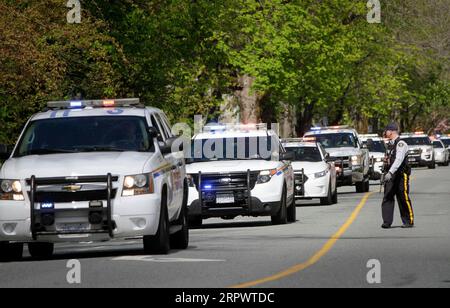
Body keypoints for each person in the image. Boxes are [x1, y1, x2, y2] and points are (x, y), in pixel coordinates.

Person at [381, 123, 414, 229]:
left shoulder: (401, 144)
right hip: (390, 175)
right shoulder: (390, 144)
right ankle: (387, 222)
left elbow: (399, 160)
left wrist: (390, 172)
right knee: (388, 197)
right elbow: (390, 159)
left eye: (386, 130)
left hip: (400, 175)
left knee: (402, 197)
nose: (385, 132)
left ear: (391, 131)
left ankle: (408, 221)